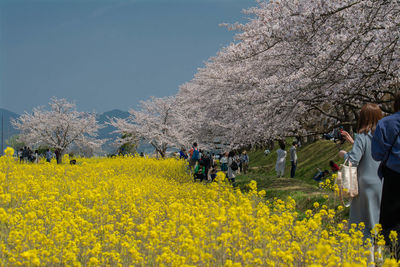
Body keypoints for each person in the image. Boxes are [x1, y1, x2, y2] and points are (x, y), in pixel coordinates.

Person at [339, 103, 383, 241]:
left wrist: (344, 154)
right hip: (382, 182)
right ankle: (380, 257)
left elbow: (354, 160)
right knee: (378, 221)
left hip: (364, 184)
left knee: (364, 223)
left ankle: (368, 259)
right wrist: (354, 143)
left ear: (363, 117)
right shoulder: (384, 135)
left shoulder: (362, 136)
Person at [371, 92, 400, 257]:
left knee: (391, 221)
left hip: (394, 177)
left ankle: (394, 256)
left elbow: (377, 154)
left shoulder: (386, 123)